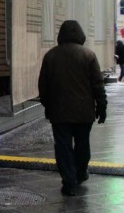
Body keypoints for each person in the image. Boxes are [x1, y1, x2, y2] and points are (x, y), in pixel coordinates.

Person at [38, 20, 107, 197]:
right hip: (84, 112)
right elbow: (97, 85)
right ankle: (81, 172)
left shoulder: (51, 56)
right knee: (83, 144)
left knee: (63, 147)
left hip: (59, 113)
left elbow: (43, 86)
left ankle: (69, 182)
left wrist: (48, 104)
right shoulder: (89, 55)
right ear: (80, 35)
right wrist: (102, 106)